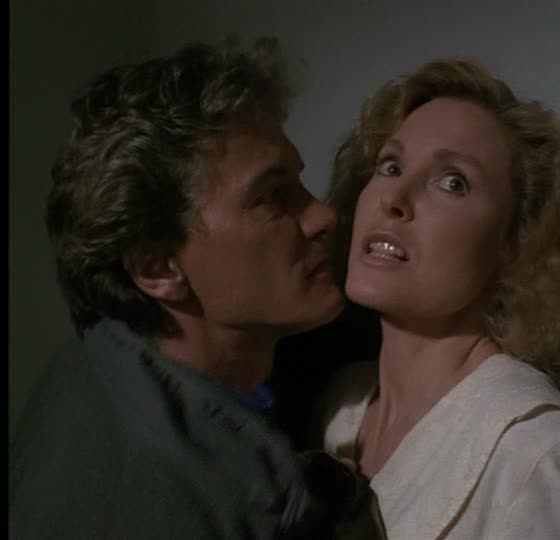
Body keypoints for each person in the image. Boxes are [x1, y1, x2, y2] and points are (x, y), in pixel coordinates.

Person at [9, 37, 360, 539]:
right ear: (157, 268)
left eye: (300, 185)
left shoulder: (107, 359)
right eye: (272, 197)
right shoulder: (165, 496)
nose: (323, 216)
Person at [318, 58, 560, 539]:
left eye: (452, 182)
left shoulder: (552, 462)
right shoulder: (340, 410)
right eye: (390, 165)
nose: (393, 198)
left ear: (517, 243)